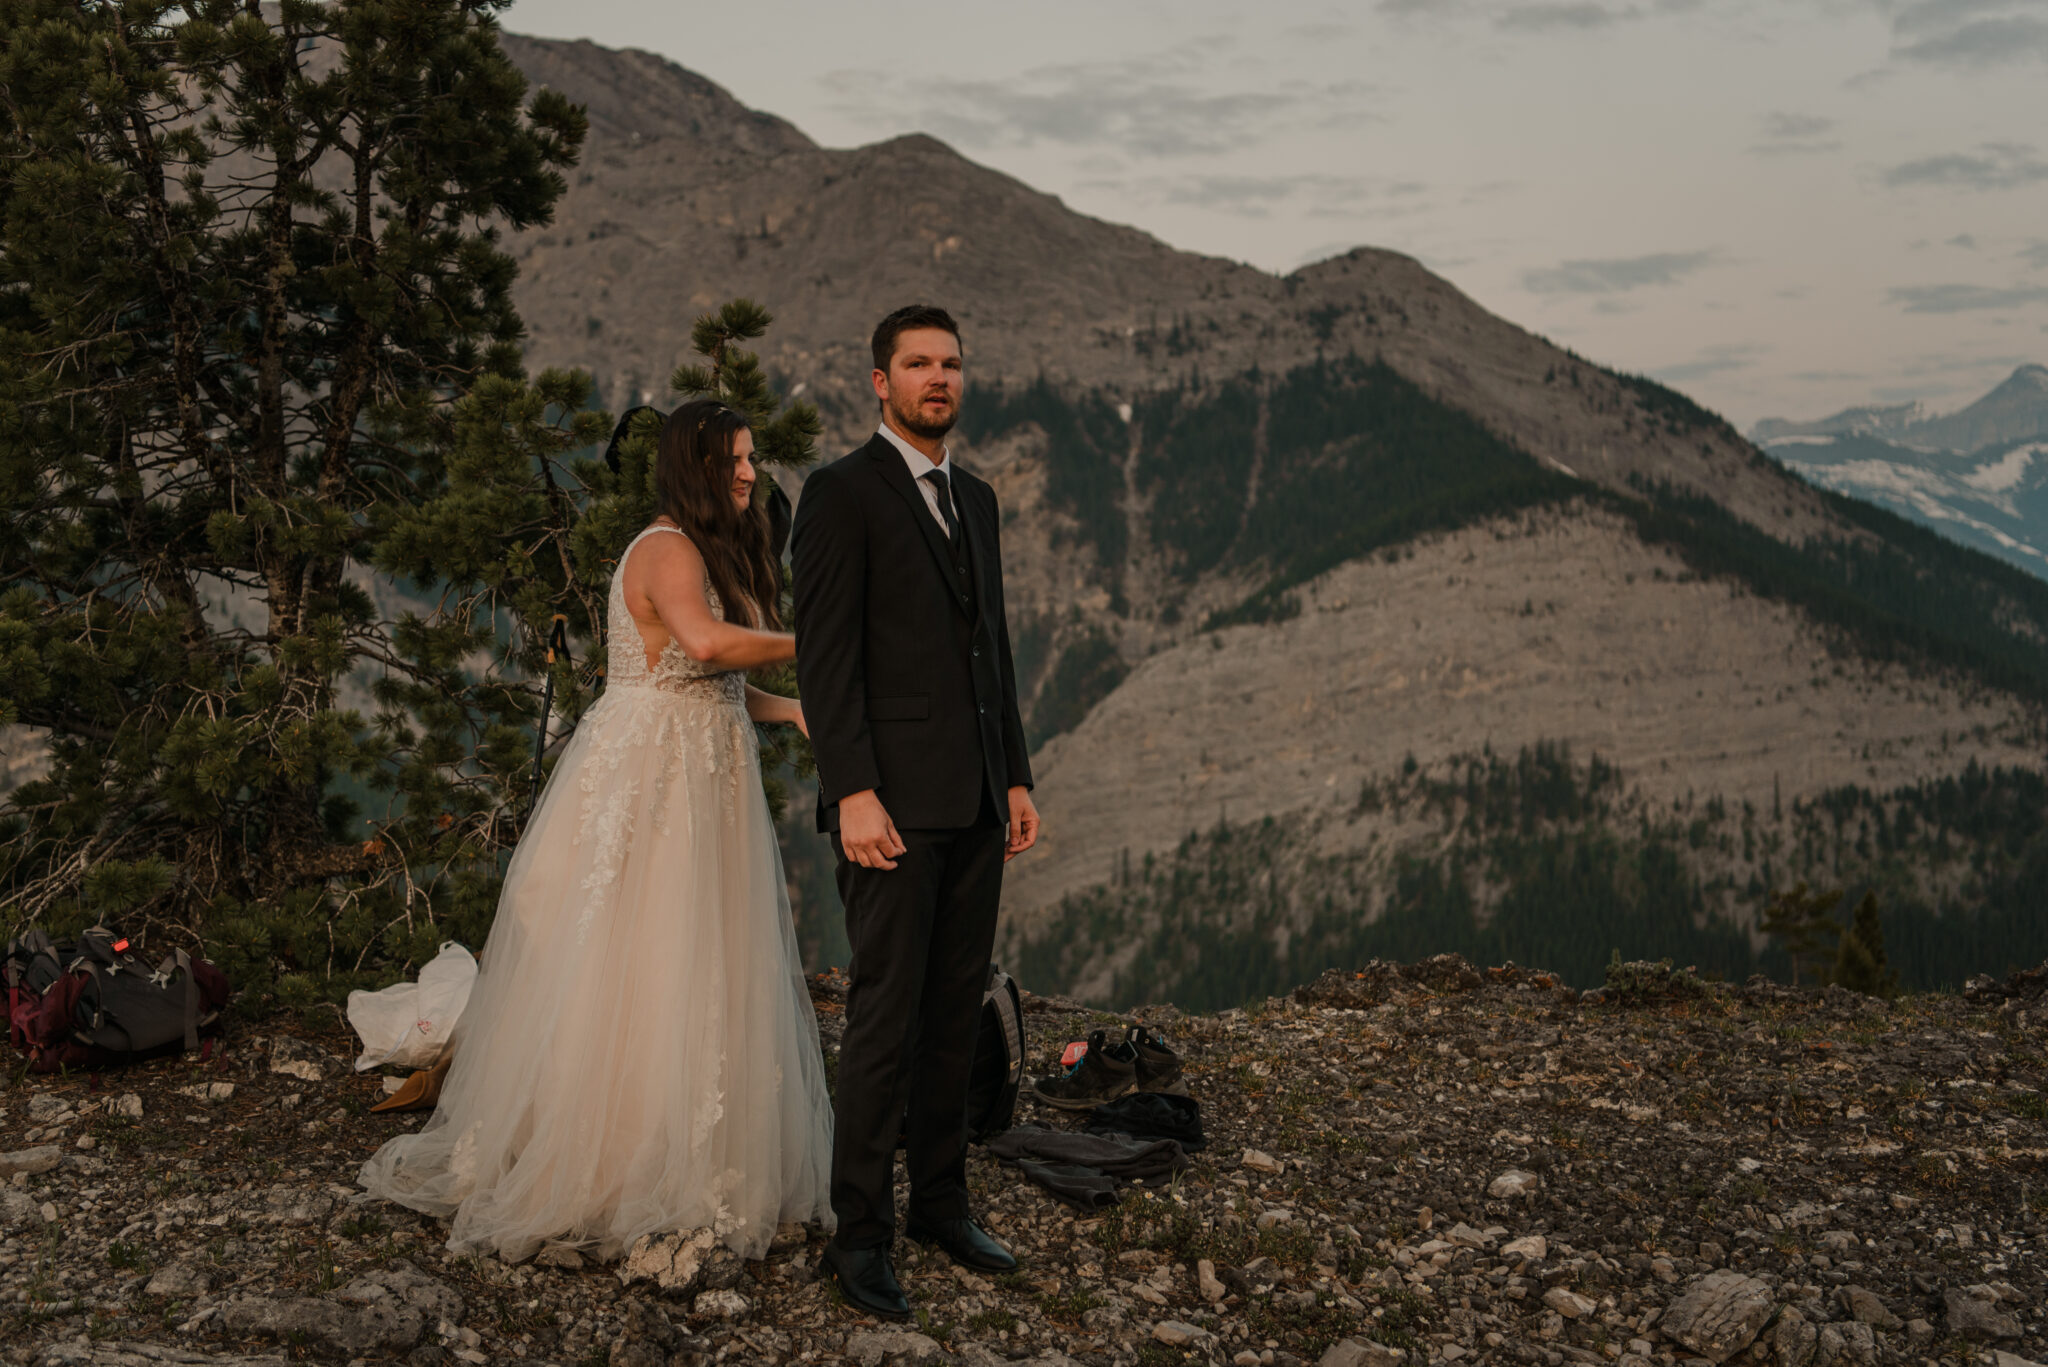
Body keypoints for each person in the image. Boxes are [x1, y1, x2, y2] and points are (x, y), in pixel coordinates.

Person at [358, 400, 833, 1263]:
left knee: (694, 959)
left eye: (752, 458)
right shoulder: (665, 549)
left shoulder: (695, 549)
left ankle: (687, 1142)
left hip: (699, 774)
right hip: (657, 785)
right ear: (695, 465)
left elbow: (711, 684)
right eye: (734, 459)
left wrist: (793, 709)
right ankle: (616, 1158)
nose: (749, 473)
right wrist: (817, 642)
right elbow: (700, 642)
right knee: (641, 959)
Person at [790, 304, 1041, 1320]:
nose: (937, 378)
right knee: (883, 1022)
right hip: (886, 804)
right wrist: (851, 787)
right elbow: (824, 654)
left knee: (954, 1013)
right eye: (916, 364)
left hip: (977, 796)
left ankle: (940, 1200)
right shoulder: (840, 492)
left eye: (949, 363)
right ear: (878, 382)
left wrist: (1014, 774)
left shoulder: (973, 496)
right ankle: (858, 1232)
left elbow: (994, 652)